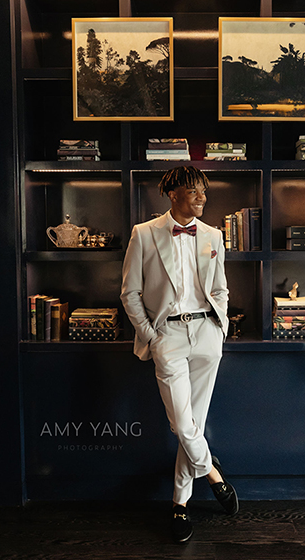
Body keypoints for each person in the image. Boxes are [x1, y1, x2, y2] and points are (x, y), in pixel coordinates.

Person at [120, 166, 239, 543]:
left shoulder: (213, 235)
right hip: (167, 334)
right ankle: (213, 475)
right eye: (194, 191)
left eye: (204, 191)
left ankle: (180, 504)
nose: (202, 197)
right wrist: (152, 335)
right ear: (173, 194)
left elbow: (220, 288)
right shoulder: (144, 233)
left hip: (206, 333)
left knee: (194, 425)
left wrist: (219, 325)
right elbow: (129, 292)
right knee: (181, 424)